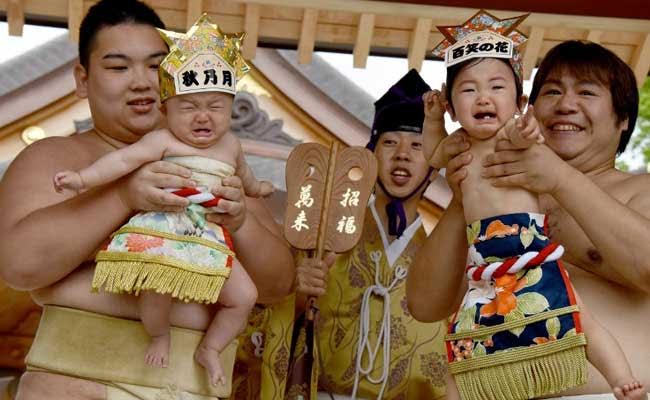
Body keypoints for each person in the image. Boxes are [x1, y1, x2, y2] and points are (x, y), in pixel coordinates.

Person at [0, 1, 294, 399]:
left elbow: (277, 283)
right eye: (119, 67)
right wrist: (124, 196)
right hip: (76, 383)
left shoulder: (218, 160)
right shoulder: (54, 158)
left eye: (156, 66)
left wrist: (238, 224)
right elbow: (21, 264)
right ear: (83, 80)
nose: (141, 82)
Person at [414, 12, 644, 400]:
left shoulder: (641, 189)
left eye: (586, 92)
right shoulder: (482, 196)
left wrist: (559, 178)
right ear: (527, 108)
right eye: (551, 92)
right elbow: (424, 304)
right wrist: (463, 195)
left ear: (623, 118)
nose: (565, 104)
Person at [291, 69, 448, 399]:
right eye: (389, 142)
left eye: (418, 145)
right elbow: (278, 316)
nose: (402, 153)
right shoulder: (324, 235)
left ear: (434, 170)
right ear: (370, 158)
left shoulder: (446, 257)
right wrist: (296, 289)